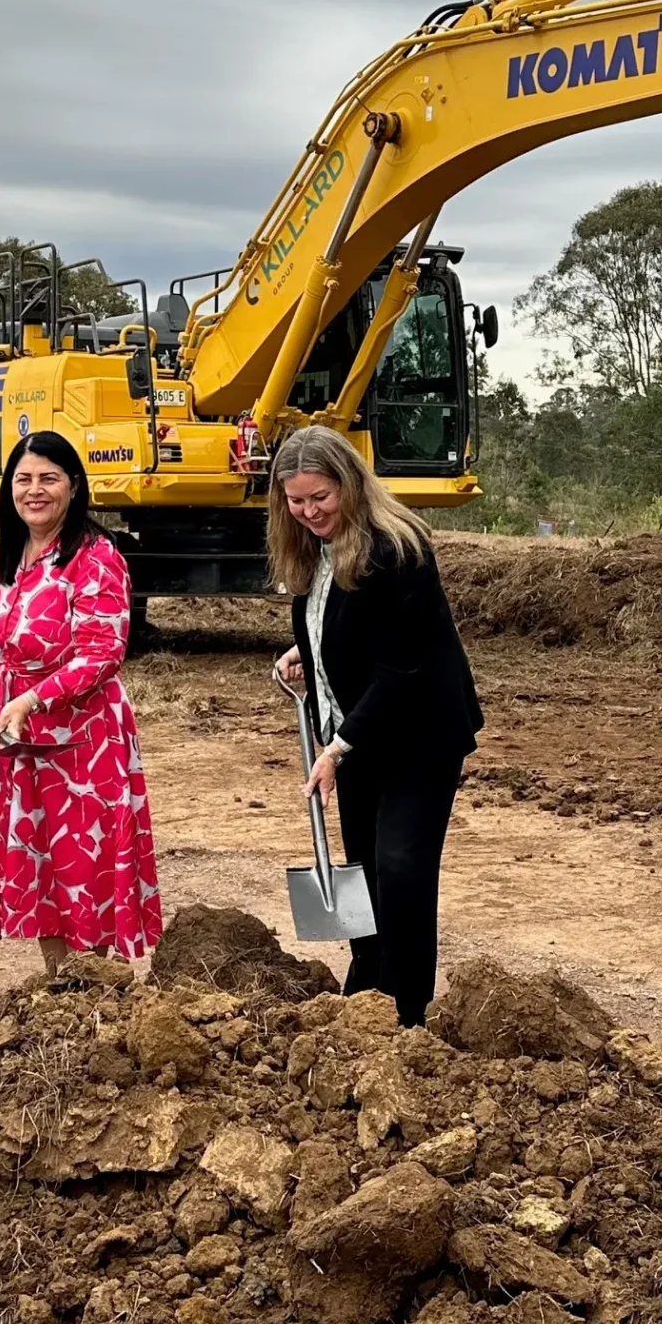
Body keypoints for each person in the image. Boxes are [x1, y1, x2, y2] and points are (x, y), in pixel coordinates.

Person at [270, 426, 482, 1028]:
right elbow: (348, 623)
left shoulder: (397, 548)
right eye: (296, 500)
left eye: (321, 497)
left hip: (418, 734)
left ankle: (407, 1011)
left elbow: (401, 666)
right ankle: (367, 985)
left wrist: (335, 748)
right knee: (361, 868)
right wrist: (306, 653)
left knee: (401, 867)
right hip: (360, 732)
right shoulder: (312, 548)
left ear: (350, 486)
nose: (309, 512)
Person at [0, 431, 162, 973]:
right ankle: (59, 989)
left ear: (74, 486)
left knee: (81, 869)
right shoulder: (5, 554)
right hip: (18, 744)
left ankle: (96, 989)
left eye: (48, 478)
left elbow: (102, 652)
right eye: (23, 479)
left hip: (82, 746)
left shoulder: (97, 558)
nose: (34, 491)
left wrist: (33, 698)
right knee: (37, 865)